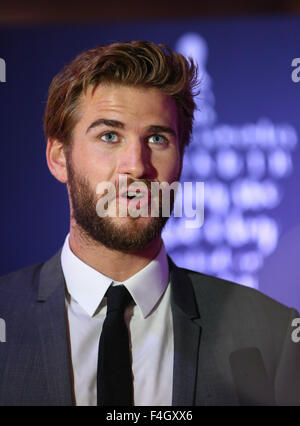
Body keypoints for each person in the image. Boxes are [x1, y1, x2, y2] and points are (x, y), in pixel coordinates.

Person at [0, 40, 300, 407]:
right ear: (59, 158)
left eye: (157, 138)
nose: (137, 165)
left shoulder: (272, 335)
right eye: (109, 136)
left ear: (182, 158)